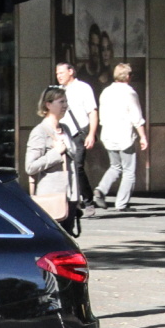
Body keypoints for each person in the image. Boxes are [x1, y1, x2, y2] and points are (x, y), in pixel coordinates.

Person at [93, 63, 148, 212]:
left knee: (115, 166)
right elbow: (136, 117)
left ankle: (101, 189)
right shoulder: (129, 93)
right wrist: (143, 136)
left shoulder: (106, 92)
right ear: (128, 76)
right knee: (129, 171)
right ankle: (121, 204)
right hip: (124, 136)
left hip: (109, 135)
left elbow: (102, 116)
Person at [26, 85, 80, 232]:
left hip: (70, 196)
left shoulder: (66, 129)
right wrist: (56, 153)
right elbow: (30, 166)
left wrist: (77, 197)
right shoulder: (40, 132)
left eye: (66, 102)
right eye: (61, 102)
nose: (65, 105)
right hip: (52, 197)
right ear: (48, 105)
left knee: (68, 241)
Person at [54, 62, 98, 217]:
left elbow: (92, 112)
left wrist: (91, 133)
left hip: (78, 133)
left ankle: (88, 202)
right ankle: (70, 203)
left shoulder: (83, 88)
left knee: (77, 167)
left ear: (71, 71)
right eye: (57, 73)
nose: (58, 76)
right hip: (62, 134)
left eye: (61, 72)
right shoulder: (57, 91)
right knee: (64, 169)